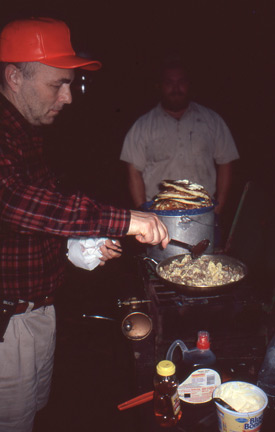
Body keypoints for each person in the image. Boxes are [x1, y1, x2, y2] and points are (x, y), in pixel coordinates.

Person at [0, 17, 169, 432]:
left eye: (70, 83)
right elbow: (14, 201)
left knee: (33, 416)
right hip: (7, 326)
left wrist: (77, 246)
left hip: (39, 312)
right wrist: (126, 218)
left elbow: (34, 219)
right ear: (14, 76)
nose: (69, 97)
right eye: (58, 83)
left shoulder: (27, 131)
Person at [120, 58, 240, 216]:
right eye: (169, 83)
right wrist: (145, 214)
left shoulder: (212, 121)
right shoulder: (142, 127)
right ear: (161, 86)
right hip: (160, 215)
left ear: (189, 84)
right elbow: (133, 171)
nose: (176, 88)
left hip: (203, 213)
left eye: (181, 82)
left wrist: (219, 206)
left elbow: (226, 161)